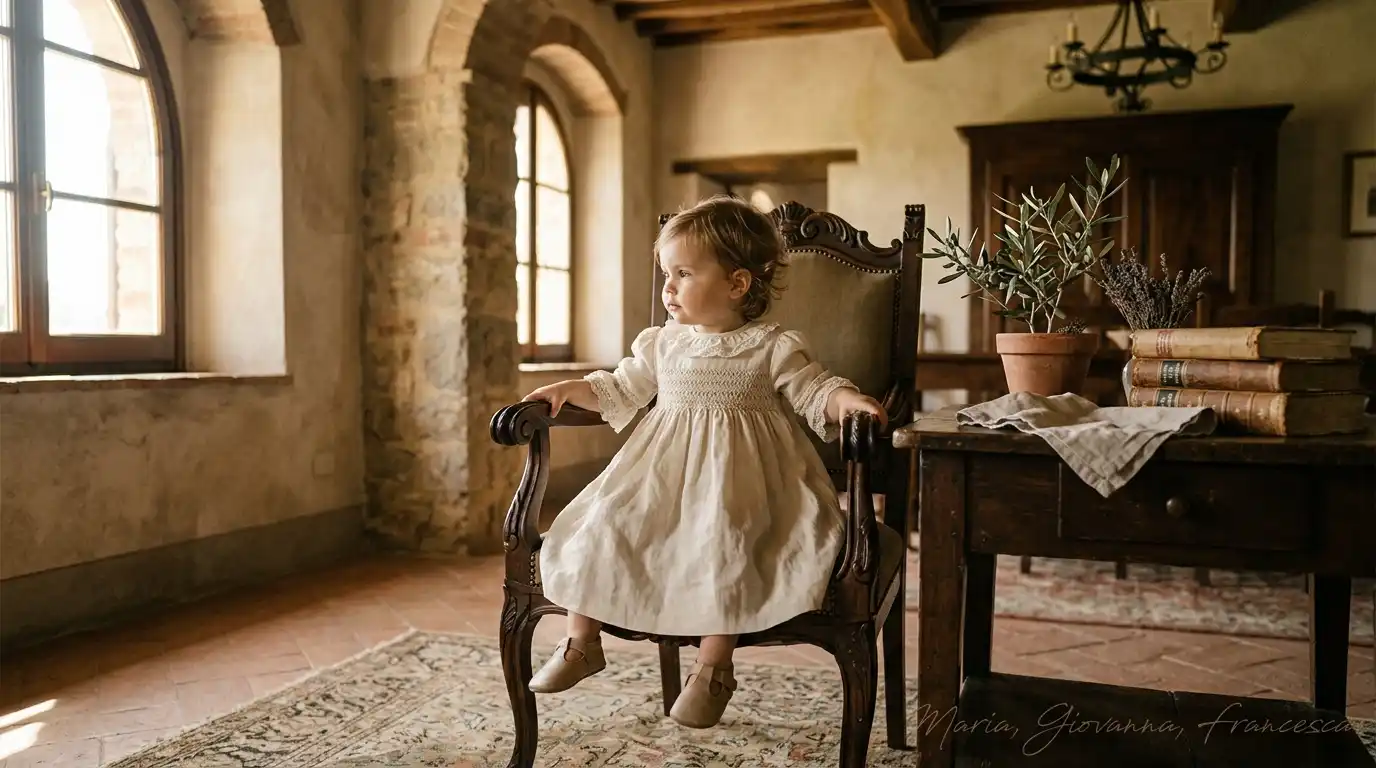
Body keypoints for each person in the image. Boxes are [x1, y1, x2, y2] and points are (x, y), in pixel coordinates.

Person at [520, 194, 886, 729]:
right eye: (666, 273)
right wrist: (572, 388)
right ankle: (582, 641)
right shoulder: (664, 345)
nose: (668, 287)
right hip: (659, 478)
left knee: (727, 543)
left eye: (684, 273)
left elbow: (815, 390)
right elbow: (622, 388)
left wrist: (846, 401)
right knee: (601, 523)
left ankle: (713, 667)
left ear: (737, 284)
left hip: (748, 484)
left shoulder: (771, 345)